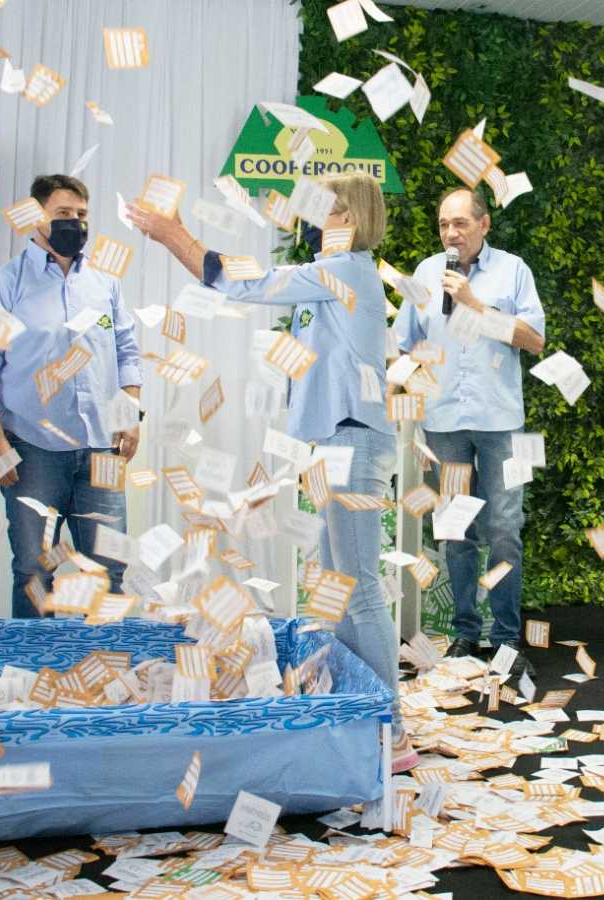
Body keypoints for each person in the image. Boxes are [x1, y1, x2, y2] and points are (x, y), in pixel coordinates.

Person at [127, 172, 420, 772]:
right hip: (333, 443)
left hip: (352, 442)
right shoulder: (333, 276)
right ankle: (356, 716)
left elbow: (249, 283)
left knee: (360, 590)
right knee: (340, 591)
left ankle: (391, 730)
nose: (309, 220)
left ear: (350, 219)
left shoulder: (346, 270)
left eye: (321, 209)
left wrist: (175, 235)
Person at [0, 175, 142, 617]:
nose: (74, 222)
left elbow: (126, 349)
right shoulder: (3, 285)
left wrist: (130, 413)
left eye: (81, 215)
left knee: (109, 569)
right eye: (63, 213)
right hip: (31, 449)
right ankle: (34, 659)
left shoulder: (104, 283)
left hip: (100, 447)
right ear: (35, 216)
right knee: (33, 569)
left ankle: (103, 656)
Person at [392, 187, 545, 681]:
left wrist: (475, 305)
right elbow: (405, 344)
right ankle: (464, 634)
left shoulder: (513, 271)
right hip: (443, 424)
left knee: (504, 528)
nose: (450, 233)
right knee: (456, 529)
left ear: (484, 224)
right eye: (443, 224)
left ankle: (505, 640)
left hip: (501, 423)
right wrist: (394, 390)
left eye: (459, 223)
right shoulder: (424, 273)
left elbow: (535, 340)